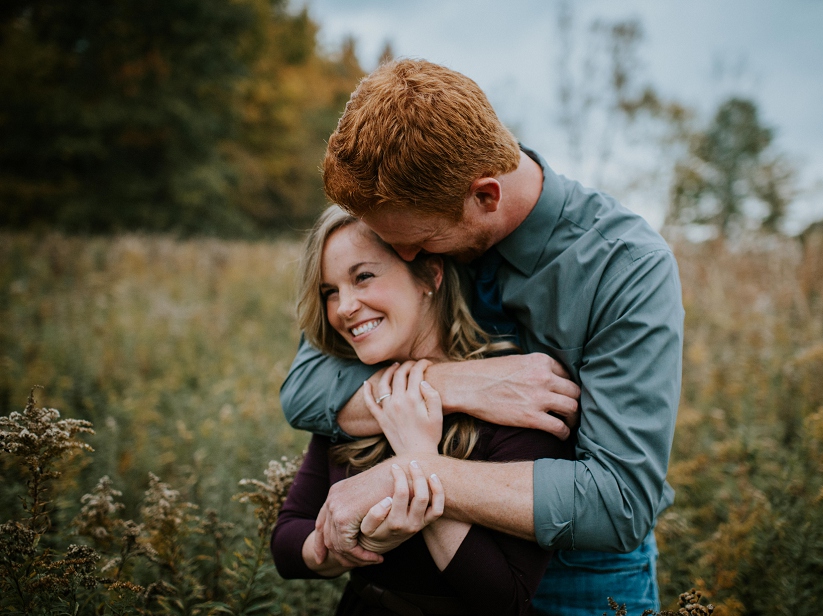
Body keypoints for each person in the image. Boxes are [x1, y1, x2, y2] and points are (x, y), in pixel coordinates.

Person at [280, 59, 684, 615]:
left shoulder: (627, 268)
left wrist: (406, 474)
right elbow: (305, 386)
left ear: (487, 197)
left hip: (583, 576)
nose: (407, 257)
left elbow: (618, 503)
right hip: (438, 580)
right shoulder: (408, 211)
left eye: (420, 242)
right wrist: (456, 384)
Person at [272, 206, 571, 615]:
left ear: (430, 276)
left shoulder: (516, 398)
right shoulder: (354, 397)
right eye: (330, 292)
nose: (344, 307)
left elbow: (506, 599)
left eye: (363, 277)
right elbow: (287, 542)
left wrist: (420, 462)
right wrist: (346, 547)